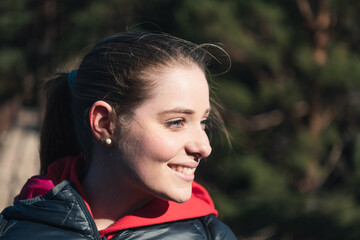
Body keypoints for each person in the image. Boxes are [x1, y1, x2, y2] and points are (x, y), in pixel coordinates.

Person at [0, 31, 236, 239]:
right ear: (105, 123)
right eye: (176, 122)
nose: (204, 147)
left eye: (203, 122)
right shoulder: (14, 231)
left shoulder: (212, 235)